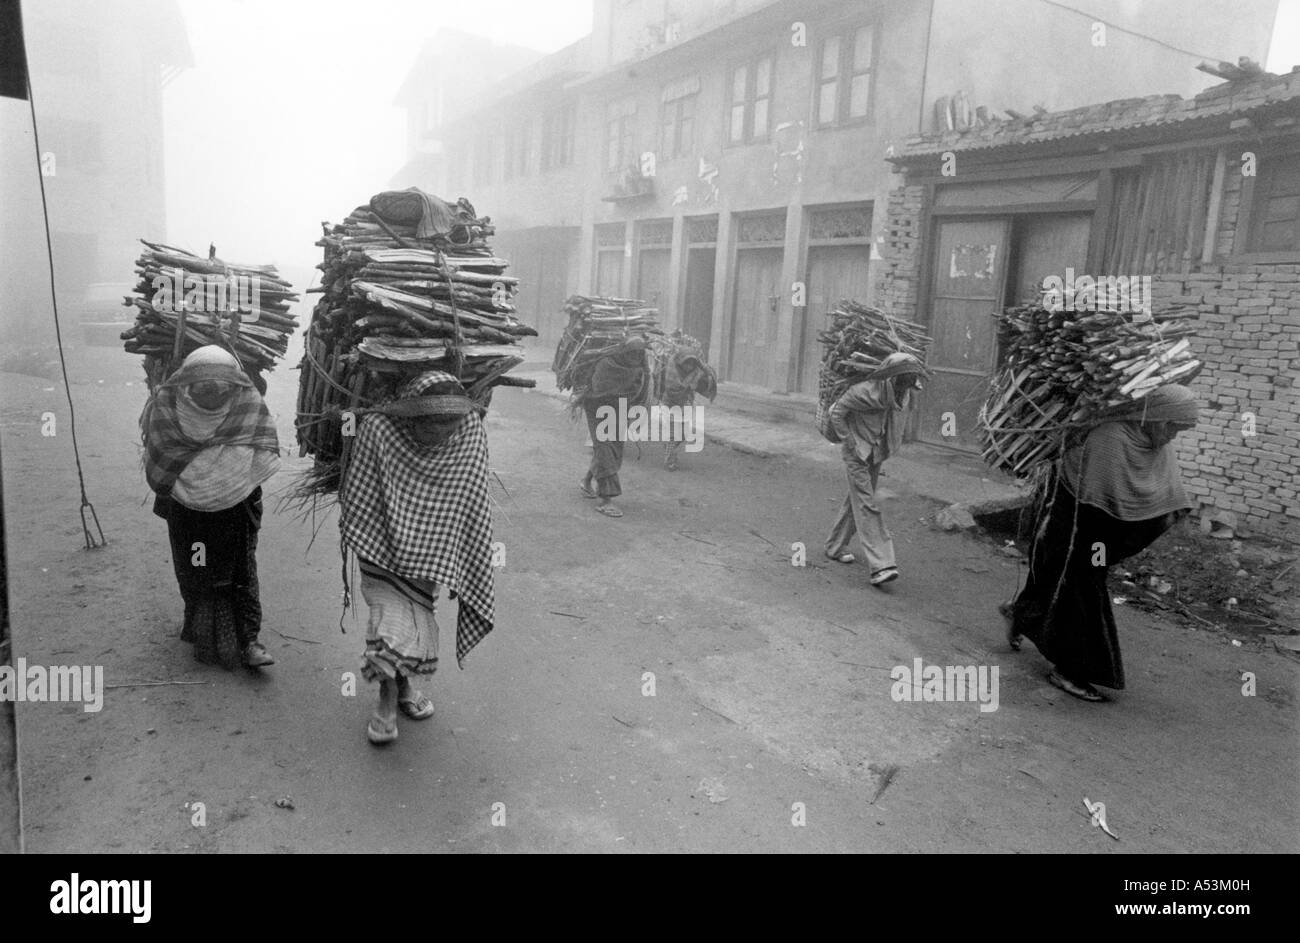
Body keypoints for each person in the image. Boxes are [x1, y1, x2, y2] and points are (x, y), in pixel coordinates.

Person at [1003, 384, 1200, 702]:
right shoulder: (1111, 438)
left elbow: (1164, 493)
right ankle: (1070, 670)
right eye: (1173, 426)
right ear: (1155, 415)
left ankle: (1021, 615)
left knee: (1060, 579)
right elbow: (1097, 502)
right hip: (1075, 518)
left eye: (1180, 429)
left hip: (1098, 528)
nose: (1173, 436)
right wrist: (1099, 552)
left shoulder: (1152, 441)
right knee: (1080, 588)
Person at [338, 371, 495, 745]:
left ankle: (402, 684)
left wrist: (458, 550)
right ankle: (387, 698)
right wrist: (385, 531)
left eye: (449, 423)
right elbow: (361, 493)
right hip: (381, 542)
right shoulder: (378, 428)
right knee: (390, 617)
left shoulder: (470, 428)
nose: (441, 431)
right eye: (431, 422)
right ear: (410, 415)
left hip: (433, 547)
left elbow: (472, 497)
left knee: (417, 614)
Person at [143, 345, 280, 669]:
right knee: (192, 563)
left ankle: (249, 640)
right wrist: (188, 482)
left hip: (237, 501)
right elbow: (160, 451)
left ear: (233, 381)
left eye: (219, 383)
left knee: (242, 570)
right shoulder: (167, 401)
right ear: (187, 381)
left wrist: (238, 478)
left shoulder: (246, 401)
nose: (212, 389)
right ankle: (195, 618)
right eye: (203, 383)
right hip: (184, 504)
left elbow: (262, 447)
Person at [824, 352, 927, 586]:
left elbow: (896, 417)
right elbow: (836, 413)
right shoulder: (863, 392)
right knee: (866, 504)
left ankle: (834, 546)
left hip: (875, 453)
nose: (905, 388)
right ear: (890, 379)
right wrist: (848, 440)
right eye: (902, 383)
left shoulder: (903, 394)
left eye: (909, 383)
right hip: (857, 454)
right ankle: (881, 565)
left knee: (856, 502)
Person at [578, 338, 650, 518]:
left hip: (619, 409)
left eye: (639, 354)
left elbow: (639, 393)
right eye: (632, 353)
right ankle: (606, 499)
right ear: (624, 351)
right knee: (605, 448)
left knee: (614, 449)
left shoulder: (639, 370)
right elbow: (598, 387)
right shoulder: (607, 363)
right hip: (597, 406)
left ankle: (586, 481)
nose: (635, 357)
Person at [656, 333, 717, 472]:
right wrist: (689, 386)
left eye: (692, 363)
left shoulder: (695, 371)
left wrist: (701, 367)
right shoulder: (672, 369)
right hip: (669, 404)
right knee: (672, 433)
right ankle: (669, 461)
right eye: (687, 363)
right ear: (680, 362)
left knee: (683, 434)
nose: (689, 366)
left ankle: (668, 447)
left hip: (685, 405)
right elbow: (673, 390)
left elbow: (707, 374)